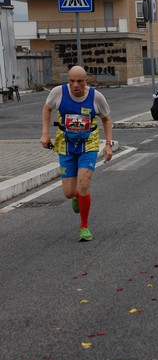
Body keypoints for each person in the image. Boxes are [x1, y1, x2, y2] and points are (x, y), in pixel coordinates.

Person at [40, 65, 113, 242]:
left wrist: (108, 144)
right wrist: (45, 132)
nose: (75, 85)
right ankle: (76, 197)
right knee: (68, 192)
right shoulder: (58, 92)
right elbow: (47, 108)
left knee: (84, 182)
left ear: (85, 81)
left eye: (79, 81)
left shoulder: (96, 96)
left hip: (88, 144)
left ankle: (84, 227)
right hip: (65, 145)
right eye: (72, 81)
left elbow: (106, 118)